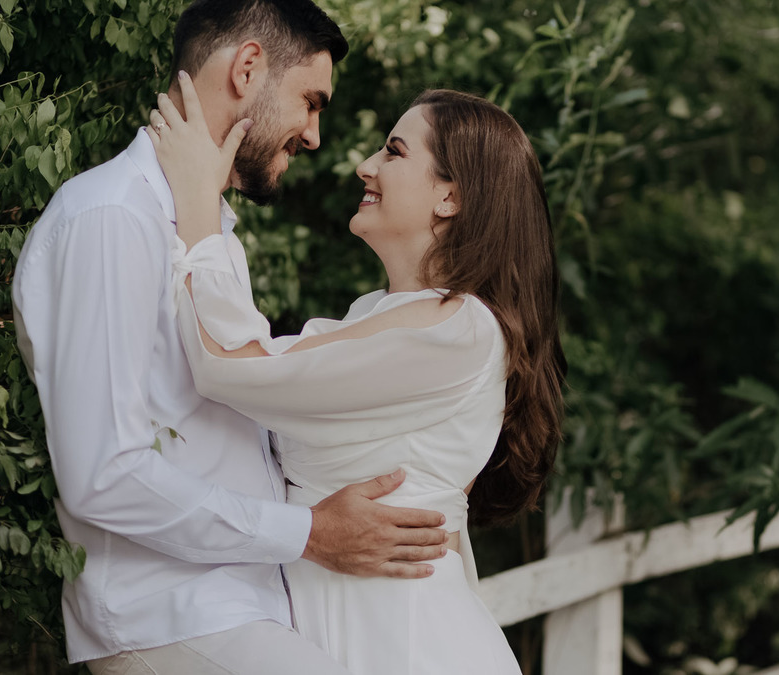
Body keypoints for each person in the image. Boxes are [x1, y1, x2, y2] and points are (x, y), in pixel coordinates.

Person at [10, 2, 450, 673]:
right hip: (166, 614)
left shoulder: (205, 233)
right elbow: (103, 472)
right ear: (248, 68)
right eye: (310, 101)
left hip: (240, 611)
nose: (315, 134)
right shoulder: (112, 218)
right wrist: (309, 533)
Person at [145, 75, 565, 673]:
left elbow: (229, 365)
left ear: (451, 196)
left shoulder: (458, 329)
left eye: (394, 152)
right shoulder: (384, 315)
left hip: (410, 642)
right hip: (348, 631)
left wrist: (196, 200)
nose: (366, 166)